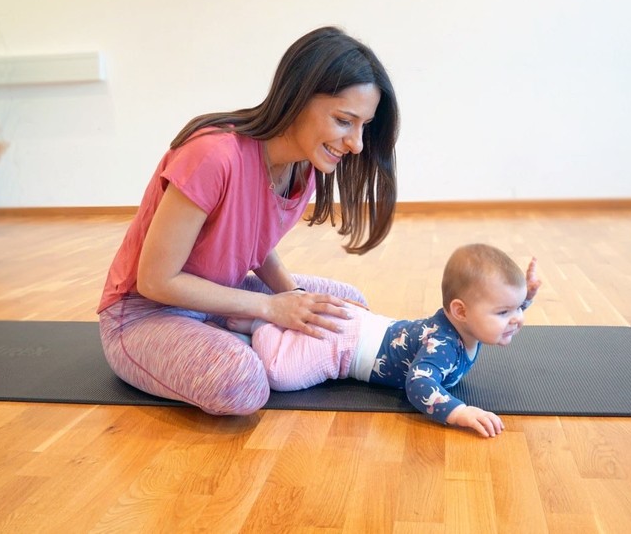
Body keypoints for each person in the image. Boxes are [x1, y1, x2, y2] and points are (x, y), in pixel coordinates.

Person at [97, 26, 399, 416]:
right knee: (241, 383)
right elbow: (155, 280)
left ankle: (248, 334)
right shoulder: (213, 154)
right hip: (144, 314)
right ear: (298, 98)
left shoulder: (304, 166)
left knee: (348, 306)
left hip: (218, 294)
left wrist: (289, 295)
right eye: (344, 120)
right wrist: (270, 309)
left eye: (364, 126)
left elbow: (251, 238)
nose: (356, 143)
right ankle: (249, 340)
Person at [225, 244, 541, 437]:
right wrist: (459, 412)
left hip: (358, 325)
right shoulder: (443, 346)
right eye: (505, 313)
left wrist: (521, 299)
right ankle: (262, 324)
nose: (517, 320)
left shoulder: (468, 323)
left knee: (295, 350)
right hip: (343, 344)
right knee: (279, 373)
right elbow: (419, 385)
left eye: (516, 310)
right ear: (460, 311)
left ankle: (277, 324)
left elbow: (492, 315)